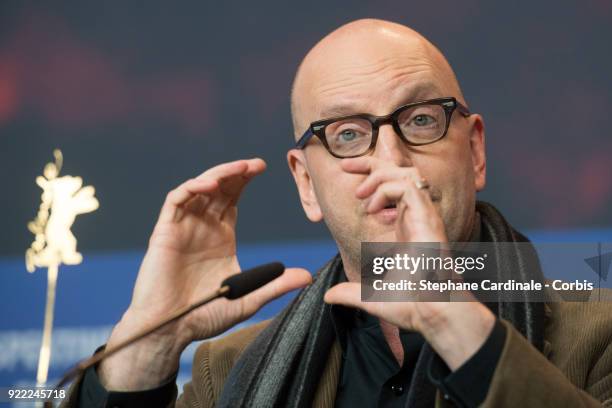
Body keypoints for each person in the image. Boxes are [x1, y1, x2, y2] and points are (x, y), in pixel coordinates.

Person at [63, 19, 612, 407]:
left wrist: (456, 322)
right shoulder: (227, 372)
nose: (390, 159)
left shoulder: (600, 332)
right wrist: (150, 345)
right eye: (348, 134)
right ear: (306, 183)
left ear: (474, 152)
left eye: (421, 120)